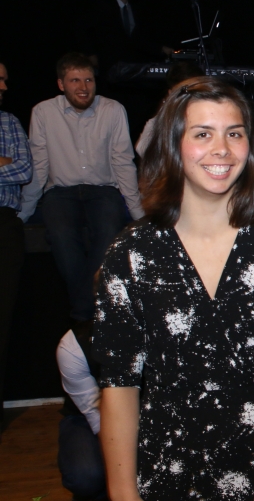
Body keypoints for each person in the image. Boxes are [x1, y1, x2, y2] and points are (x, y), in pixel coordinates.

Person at [92, 77, 254, 501]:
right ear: (172, 145)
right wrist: (123, 497)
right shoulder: (131, 254)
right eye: (203, 134)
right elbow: (118, 385)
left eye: (234, 133)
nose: (222, 148)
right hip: (165, 479)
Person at [18, 52, 143, 323]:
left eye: (88, 80)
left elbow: (123, 161)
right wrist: (24, 211)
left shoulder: (113, 109)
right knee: (61, 236)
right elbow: (39, 163)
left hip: (103, 189)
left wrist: (137, 211)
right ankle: (91, 307)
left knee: (109, 232)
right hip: (60, 191)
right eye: (75, 80)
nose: (83, 87)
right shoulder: (43, 112)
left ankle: (82, 311)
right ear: (61, 84)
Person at [0, 60, 32, 411]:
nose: (4, 87)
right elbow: (12, 167)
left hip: (3, 224)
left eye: (5, 80)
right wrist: (2, 162)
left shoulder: (9, 122)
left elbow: (24, 169)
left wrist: (10, 164)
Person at [56, 322, 106, 501]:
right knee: (85, 476)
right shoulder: (74, 345)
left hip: (151, 415)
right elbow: (98, 419)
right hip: (88, 418)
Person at [135, 61, 207, 158]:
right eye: (183, 92)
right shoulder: (162, 120)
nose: (189, 97)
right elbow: (142, 149)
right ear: (171, 93)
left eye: (195, 90)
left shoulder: (211, 115)